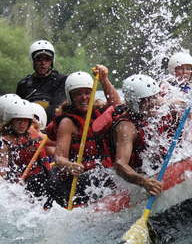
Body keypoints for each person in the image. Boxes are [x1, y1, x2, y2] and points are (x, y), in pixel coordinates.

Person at [47, 65, 121, 208]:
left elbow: (117, 105)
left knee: (113, 173)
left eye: (87, 93)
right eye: (78, 94)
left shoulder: (98, 110)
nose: (84, 98)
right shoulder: (67, 122)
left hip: (103, 172)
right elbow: (59, 157)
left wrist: (104, 79)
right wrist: (69, 165)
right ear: (70, 97)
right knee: (101, 175)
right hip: (81, 178)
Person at [110, 74, 177, 196]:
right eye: (145, 100)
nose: (152, 103)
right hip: (137, 177)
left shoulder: (153, 104)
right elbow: (120, 165)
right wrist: (144, 182)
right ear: (134, 102)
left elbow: (181, 103)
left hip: (155, 166)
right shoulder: (126, 127)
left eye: (153, 98)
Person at [0, 98, 51, 202]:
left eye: (25, 121)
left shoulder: (33, 132)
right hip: (22, 184)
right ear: (11, 121)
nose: (22, 124)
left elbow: (54, 144)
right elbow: (3, 169)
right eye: (18, 120)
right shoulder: (4, 142)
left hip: (43, 177)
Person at [16, 40, 67, 124]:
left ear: (52, 61)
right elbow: (17, 111)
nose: (43, 63)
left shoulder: (62, 80)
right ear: (33, 61)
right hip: (29, 126)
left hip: (53, 125)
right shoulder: (23, 84)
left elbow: (58, 106)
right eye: (39, 59)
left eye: (47, 59)